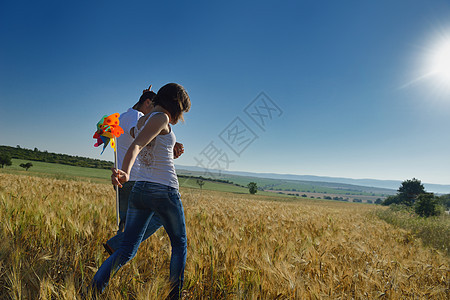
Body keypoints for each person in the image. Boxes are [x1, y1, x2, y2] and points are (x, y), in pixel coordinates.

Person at [91, 83, 191, 299]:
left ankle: (94, 288)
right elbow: (136, 145)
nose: (180, 116)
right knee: (180, 244)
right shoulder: (161, 118)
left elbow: (145, 140)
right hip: (164, 190)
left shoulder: (144, 120)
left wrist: (170, 146)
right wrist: (125, 172)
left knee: (127, 249)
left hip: (141, 190)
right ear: (175, 104)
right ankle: (174, 295)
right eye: (181, 111)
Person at [103, 86, 184, 254]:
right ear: (148, 103)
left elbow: (140, 131)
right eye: (153, 106)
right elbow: (138, 135)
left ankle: (115, 253)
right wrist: (167, 139)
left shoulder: (122, 116)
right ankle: (118, 244)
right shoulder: (139, 117)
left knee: (125, 224)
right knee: (154, 220)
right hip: (134, 177)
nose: (154, 112)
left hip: (122, 177)